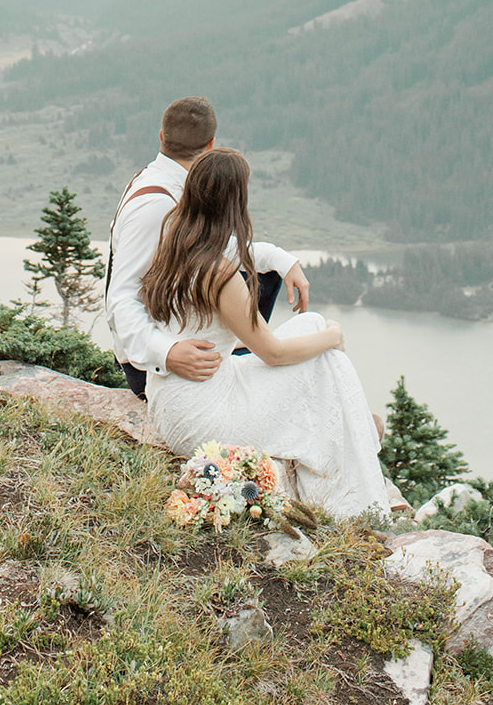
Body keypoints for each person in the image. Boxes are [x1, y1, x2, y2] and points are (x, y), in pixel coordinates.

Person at [140, 146, 391, 523]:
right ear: (235, 203)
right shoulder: (220, 275)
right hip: (206, 417)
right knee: (327, 351)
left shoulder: (173, 244)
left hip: (170, 397)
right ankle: (358, 496)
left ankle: (357, 452)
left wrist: (280, 260)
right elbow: (272, 353)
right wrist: (334, 336)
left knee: (311, 326)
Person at [105, 97, 309, 399]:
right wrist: (167, 353)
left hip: (167, 339)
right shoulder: (156, 205)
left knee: (265, 272)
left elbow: (215, 249)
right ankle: (247, 358)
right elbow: (121, 297)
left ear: (162, 136)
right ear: (211, 144)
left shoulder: (159, 180)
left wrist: (283, 260)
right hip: (151, 367)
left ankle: (247, 353)